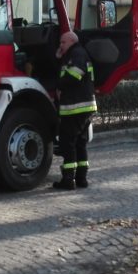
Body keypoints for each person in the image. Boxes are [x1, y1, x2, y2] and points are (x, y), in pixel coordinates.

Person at [53, 31, 97, 191]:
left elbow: (74, 74)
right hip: (85, 107)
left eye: (62, 43)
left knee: (68, 143)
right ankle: (81, 179)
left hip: (75, 108)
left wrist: (59, 85)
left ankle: (68, 180)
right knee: (80, 143)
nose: (60, 45)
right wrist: (60, 57)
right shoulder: (75, 53)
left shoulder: (77, 54)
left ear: (71, 41)